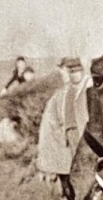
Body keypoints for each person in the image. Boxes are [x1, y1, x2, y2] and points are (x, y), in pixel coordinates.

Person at [36, 57, 89, 188]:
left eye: (76, 71)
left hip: (85, 132)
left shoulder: (88, 87)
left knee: (87, 161)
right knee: (73, 163)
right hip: (69, 132)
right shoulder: (63, 92)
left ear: (82, 71)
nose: (74, 75)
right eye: (71, 72)